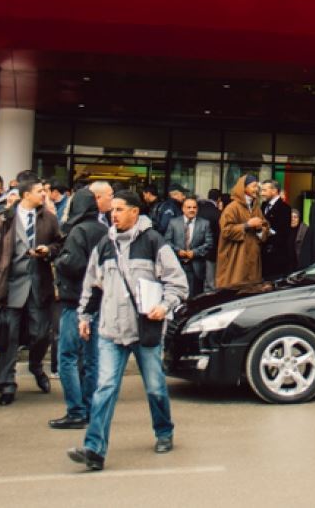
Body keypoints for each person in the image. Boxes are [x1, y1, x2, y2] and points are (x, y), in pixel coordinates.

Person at [67, 190, 188, 471]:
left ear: (135, 212)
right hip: (111, 330)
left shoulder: (154, 242)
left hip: (144, 329)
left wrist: (164, 305)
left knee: (155, 386)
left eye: (120, 209)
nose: (114, 215)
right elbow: (92, 284)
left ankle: (164, 431)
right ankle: (94, 449)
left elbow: (178, 284)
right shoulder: (104, 244)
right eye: (113, 210)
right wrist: (84, 316)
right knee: (105, 388)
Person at [0, 173, 61, 406]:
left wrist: (47, 250)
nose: (45, 194)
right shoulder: (4, 220)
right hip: (12, 285)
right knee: (7, 337)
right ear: (26, 194)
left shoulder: (49, 218)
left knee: (41, 334)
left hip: (39, 284)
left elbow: (59, 244)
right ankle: (6, 384)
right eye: (40, 191)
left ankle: (36, 365)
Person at [49, 187, 109, 430]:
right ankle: (90, 406)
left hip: (74, 300)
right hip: (99, 300)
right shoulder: (105, 230)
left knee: (67, 357)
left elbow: (73, 263)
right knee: (92, 358)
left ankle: (75, 410)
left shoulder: (77, 231)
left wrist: (58, 261)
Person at [217, 176, 269, 287]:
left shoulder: (256, 208)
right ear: (243, 188)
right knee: (236, 291)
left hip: (253, 259)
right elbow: (226, 230)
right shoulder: (232, 208)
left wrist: (260, 229)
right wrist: (247, 225)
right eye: (253, 186)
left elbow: (265, 228)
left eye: (257, 186)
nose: (256, 189)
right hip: (236, 259)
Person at [168, 197, 213, 293]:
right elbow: (167, 241)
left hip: (197, 267)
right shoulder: (173, 223)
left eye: (194, 207)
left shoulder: (205, 223)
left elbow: (209, 243)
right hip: (178, 265)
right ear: (183, 209)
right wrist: (178, 251)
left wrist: (194, 252)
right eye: (189, 207)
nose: (192, 210)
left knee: (196, 297)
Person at [260, 180, 296, 279]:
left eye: (264, 190)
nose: (261, 193)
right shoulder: (263, 206)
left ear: (274, 191)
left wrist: (266, 231)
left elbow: (282, 234)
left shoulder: (285, 208)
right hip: (263, 257)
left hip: (276, 258)